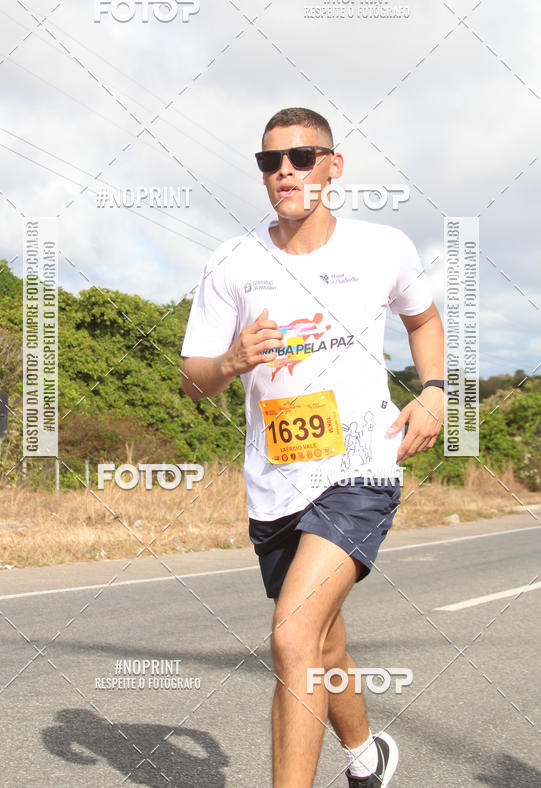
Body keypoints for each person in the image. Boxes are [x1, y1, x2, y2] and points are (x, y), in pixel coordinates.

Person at [180, 107, 445, 787]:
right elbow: (192, 380)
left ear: (334, 165)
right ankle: (367, 758)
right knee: (321, 639)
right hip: (276, 482)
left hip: (361, 469)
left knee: (292, 636)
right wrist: (232, 360)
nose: (286, 172)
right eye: (272, 162)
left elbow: (424, 318)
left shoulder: (382, 249)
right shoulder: (234, 263)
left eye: (302, 157)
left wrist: (437, 390)